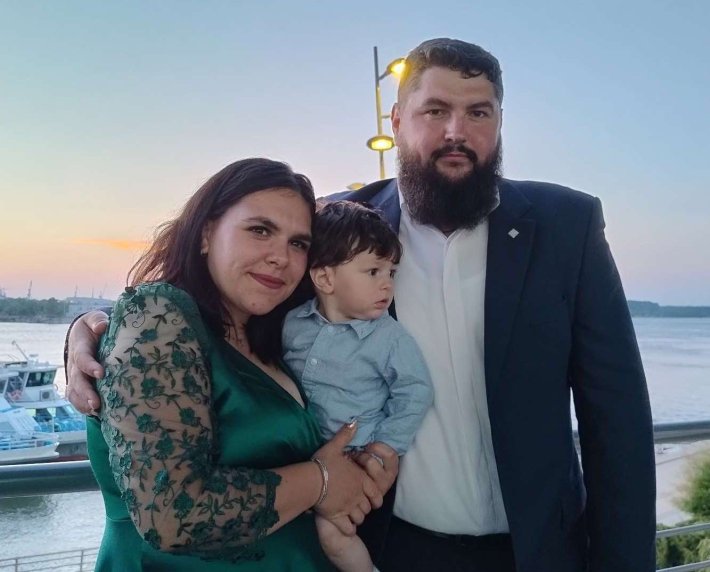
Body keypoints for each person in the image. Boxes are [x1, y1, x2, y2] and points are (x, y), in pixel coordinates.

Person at [66, 38, 656, 572]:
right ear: (397, 121)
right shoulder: (336, 228)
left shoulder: (566, 225)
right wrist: (91, 330)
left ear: (500, 123)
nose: (457, 131)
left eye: (479, 113)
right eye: (435, 111)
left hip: (539, 553)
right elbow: (206, 302)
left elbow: (617, 416)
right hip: (384, 549)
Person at [82, 157, 391, 571]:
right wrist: (322, 481)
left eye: (298, 243)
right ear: (206, 233)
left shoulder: (278, 334)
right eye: (260, 230)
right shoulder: (158, 313)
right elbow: (172, 515)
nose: (280, 257)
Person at [282, 201, 433, 572]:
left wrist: (387, 445)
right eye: (373, 271)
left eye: (391, 272)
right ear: (325, 279)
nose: (387, 284)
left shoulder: (389, 337)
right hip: (296, 456)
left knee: (332, 535)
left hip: (354, 460)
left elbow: (415, 390)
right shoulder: (291, 324)